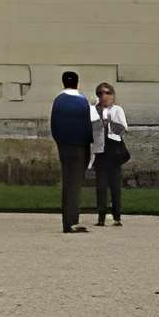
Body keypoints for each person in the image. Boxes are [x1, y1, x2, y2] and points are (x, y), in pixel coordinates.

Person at [50, 71, 97, 233]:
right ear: (77, 83)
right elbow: (87, 126)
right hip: (79, 146)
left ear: (63, 83)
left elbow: (54, 126)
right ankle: (71, 221)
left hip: (64, 146)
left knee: (67, 182)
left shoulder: (58, 101)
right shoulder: (82, 101)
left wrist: (60, 142)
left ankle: (67, 220)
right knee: (75, 184)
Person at [90, 82, 131, 225]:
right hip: (100, 151)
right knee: (101, 186)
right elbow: (91, 129)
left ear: (112, 96)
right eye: (101, 93)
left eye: (107, 93)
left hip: (114, 150)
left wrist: (108, 123)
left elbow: (123, 129)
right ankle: (101, 217)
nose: (104, 96)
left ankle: (117, 216)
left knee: (115, 186)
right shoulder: (93, 110)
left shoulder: (117, 110)